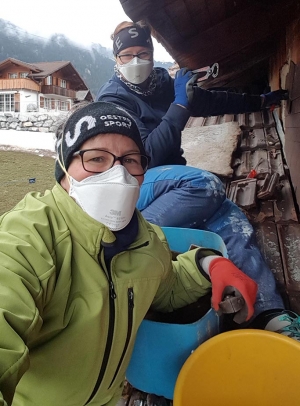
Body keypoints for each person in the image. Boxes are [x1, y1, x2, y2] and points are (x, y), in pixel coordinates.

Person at [0, 101, 258, 406]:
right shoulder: (28, 238)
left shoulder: (146, 238)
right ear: (64, 168)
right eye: (96, 159)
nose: (118, 174)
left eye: (131, 160)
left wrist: (208, 264)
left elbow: (164, 287)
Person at [96, 20, 300, 339]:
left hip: (167, 184)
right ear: (117, 59)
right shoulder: (114, 102)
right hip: (131, 188)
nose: (137, 62)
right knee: (205, 185)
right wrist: (179, 105)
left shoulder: (162, 81)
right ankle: (127, 238)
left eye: (143, 53)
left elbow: (211, 102)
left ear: (151, 55)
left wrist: (261, 101)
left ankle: (267, 312)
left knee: (232, 219)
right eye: (127, 55)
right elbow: (145, 153)